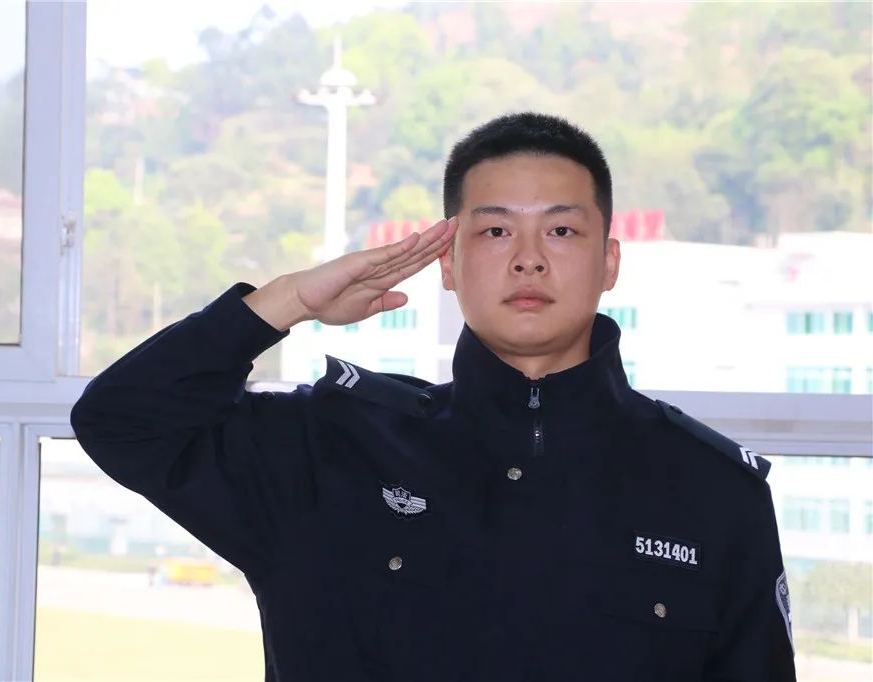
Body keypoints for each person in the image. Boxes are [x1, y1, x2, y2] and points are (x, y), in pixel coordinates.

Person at [70, 112, 796, 681]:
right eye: (496, 230)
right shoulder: (329, 447)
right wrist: (285, 301)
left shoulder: (710, 489)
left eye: (562, 229)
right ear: (447, 264)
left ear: (609, 262)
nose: (529, 258)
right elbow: (121, 419)